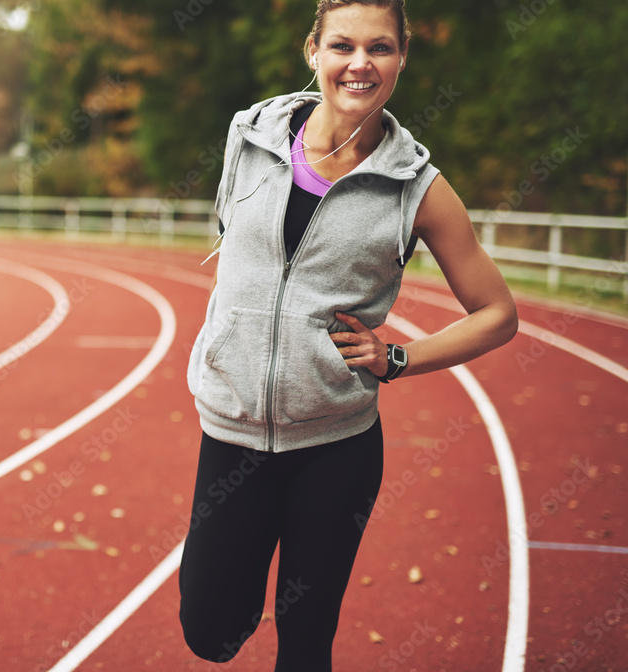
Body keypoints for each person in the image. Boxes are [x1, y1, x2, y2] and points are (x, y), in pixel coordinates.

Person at [178, 1, 518, 669]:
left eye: (380, 48)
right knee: (210, 630)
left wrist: (399, 357)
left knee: (305, 640)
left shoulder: (417, 189)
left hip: (336, 448)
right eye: (343, 45)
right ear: (314, 52)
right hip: (234, 432)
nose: (360, 62)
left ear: (400, 59)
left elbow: (497, 313)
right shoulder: (248, 136)